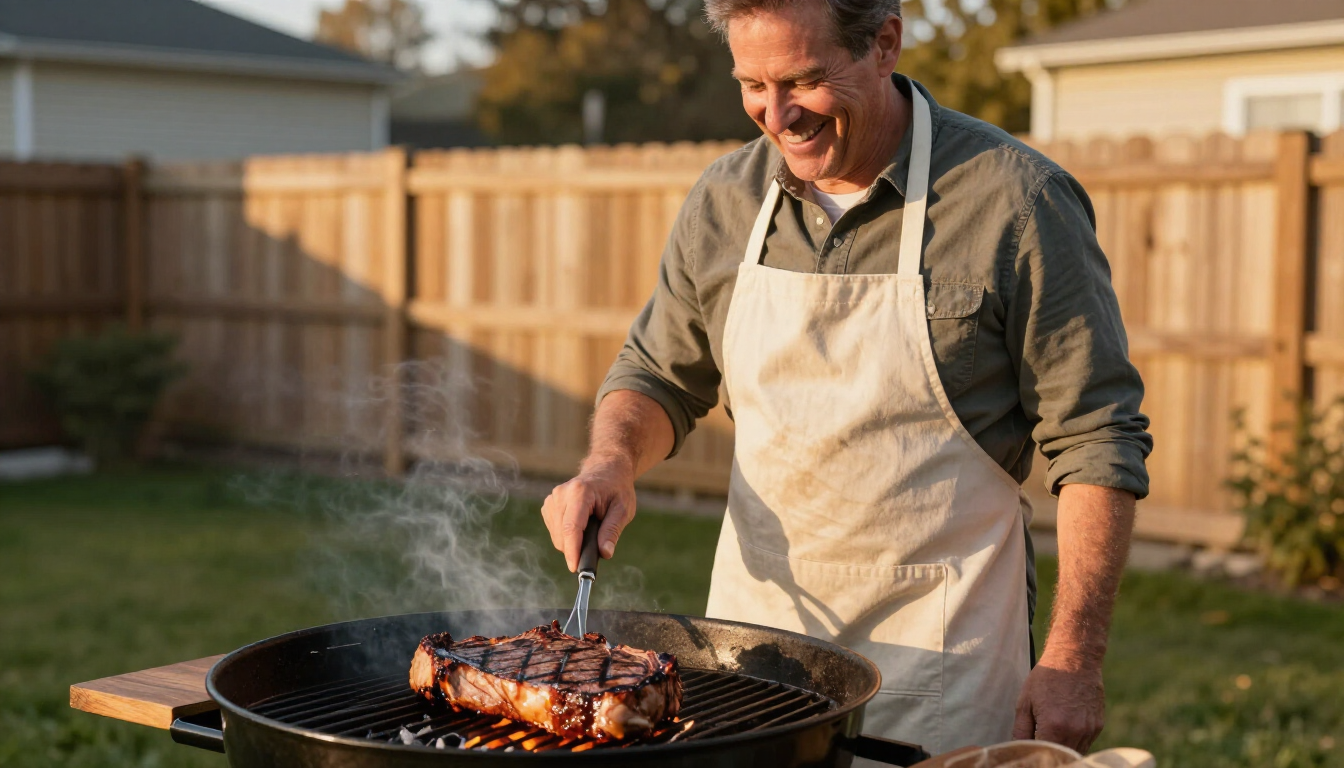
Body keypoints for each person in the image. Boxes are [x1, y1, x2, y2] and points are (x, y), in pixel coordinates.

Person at [541, 0, 1152, 756]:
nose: (777, 114)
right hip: (753, 664)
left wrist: (1072, 660)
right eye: (751, 84)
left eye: (803, 79)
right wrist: (612, 461)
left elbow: (1097, 436)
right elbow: (660, 373)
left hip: (942, 666)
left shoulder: (1015, 202)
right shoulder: (726, 200)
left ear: (885, 43)